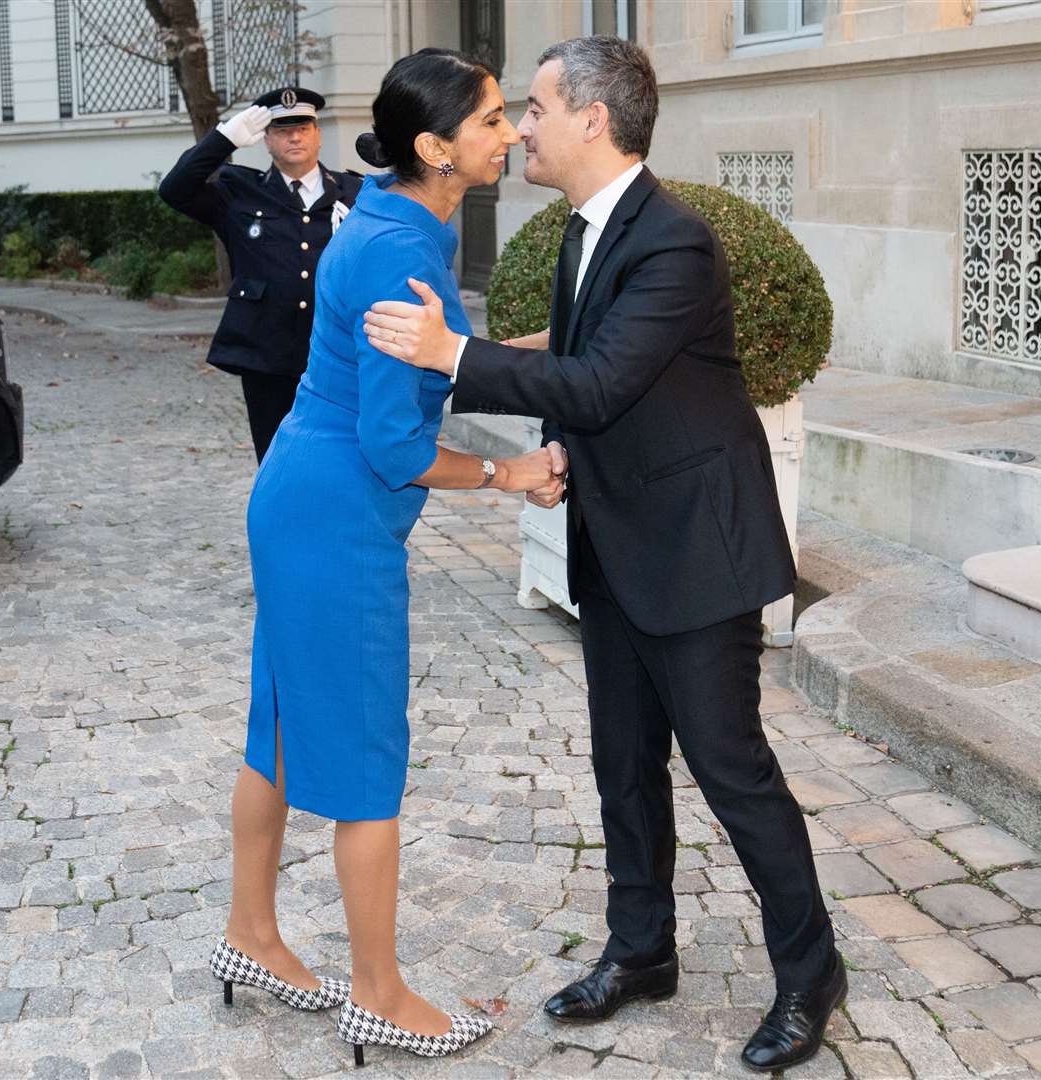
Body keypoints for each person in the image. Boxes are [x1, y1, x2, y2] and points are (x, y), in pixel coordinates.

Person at [361, 36, 845, 1072]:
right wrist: (460, 371)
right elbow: (575, 364)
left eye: (533, 108)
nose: (520, 127)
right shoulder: (583, 232)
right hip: (617, 545)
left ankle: (810, 974)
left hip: (697, 556)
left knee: (732, 772)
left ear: (591, 118)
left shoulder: (675, 242)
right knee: (623, 766)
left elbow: (598, 388)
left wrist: (450, 356)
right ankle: (642, 951)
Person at [212, 49, 559, 1067]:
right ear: (436, 148)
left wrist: (543, 347)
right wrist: (510, 478)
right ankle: (379, 994)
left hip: (296, 494)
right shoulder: (403, 249)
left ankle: (252, 936)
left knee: (275, 724)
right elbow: (398, 447)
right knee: (367, 762)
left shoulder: (392, 220)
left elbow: (433, 361)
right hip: (338, 521)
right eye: (495, 120)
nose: (513, 133)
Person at [158, 86, 360, 462]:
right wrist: (222, 138)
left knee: (339, 459)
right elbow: (174, 189)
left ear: (317, 133)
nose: (294, 137)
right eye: (282, 130)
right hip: (268, 357)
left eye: (303, 127)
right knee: (276, 459)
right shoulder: (239, 193)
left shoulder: (353, 194)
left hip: (337, 352)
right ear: (266, 139)